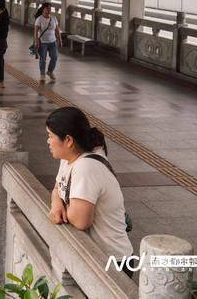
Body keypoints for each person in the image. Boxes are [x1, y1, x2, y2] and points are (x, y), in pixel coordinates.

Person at [46, 107, 133, 276]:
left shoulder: (86, 166)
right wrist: (56, 203)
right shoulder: (70, 157)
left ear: (69, 140)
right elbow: (58, 187)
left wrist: (63, 206)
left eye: (50, 136)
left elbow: (80, 221)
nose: (47, 141)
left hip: (113, 261)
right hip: (94, 255)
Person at [34, 2, 61, 85]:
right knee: (43, 59)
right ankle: (42, 75)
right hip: (43, 42)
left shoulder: (53, 18)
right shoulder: (39, 19)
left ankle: (50, 71)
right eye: (47, 8)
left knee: (54, 57)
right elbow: (35, 32)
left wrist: (60, 39)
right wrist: (36, 41)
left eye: (50, 9)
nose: (49, 10)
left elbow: (57, 30)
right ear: (43, 9)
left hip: (52, 41)